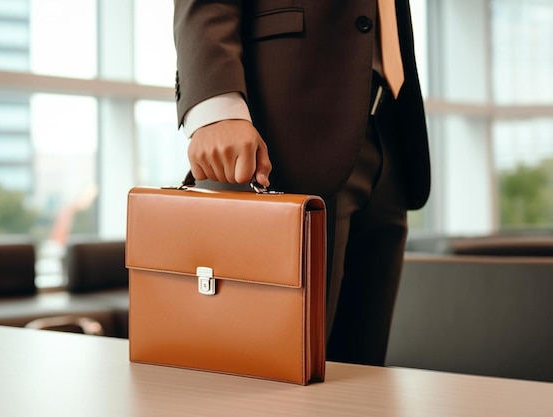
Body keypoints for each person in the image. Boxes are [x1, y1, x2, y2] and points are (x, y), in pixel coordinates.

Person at [173, 0, 431, 366]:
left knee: (361, 378)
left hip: (389, 131)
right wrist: (216, 109)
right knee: (277, 382)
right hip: (284, 132)